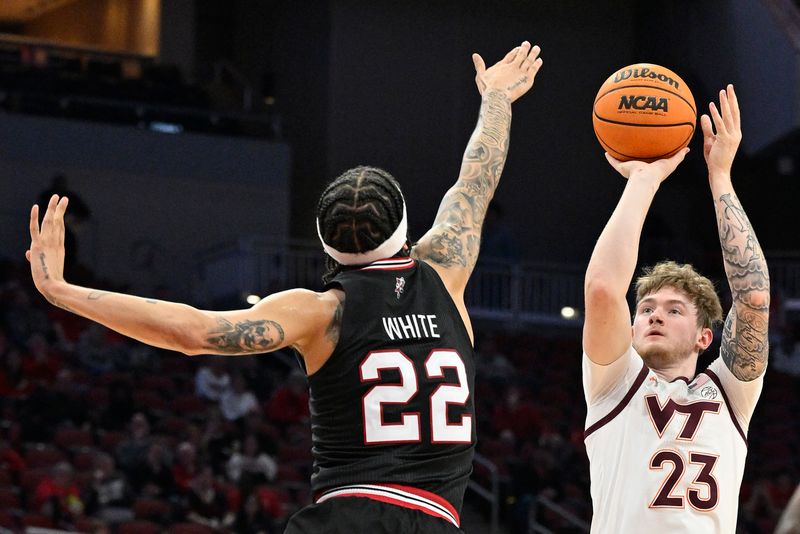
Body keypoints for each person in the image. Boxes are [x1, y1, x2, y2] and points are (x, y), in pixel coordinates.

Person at [26, 41, 543, 533]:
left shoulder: (320, 312)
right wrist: (496, 97)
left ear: (325, 245)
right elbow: (475, 181)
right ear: (405, 230)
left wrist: (63, 292)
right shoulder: (446, 271)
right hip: (434, 519)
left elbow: (193, 331)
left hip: (348, 517)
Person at [582, 84, 769, 532]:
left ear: (705, 337)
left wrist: (720, 175)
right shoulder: (614, 381)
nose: (654, 314)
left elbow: (754, 296)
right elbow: (605, 290)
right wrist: (643, 181)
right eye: (645, 308)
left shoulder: (729, 396)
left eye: (673, 309)